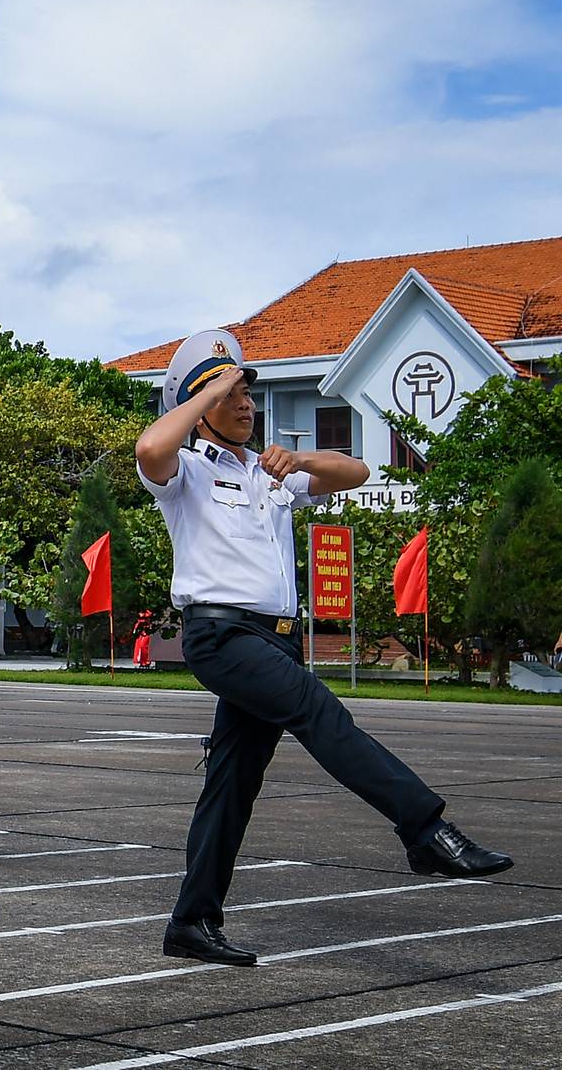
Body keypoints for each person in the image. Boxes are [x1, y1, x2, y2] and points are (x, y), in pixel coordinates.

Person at [139, 329, 512, 968]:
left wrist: (302, 462)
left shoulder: (269, 474)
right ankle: (425, 829)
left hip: (276, 642)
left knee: (230, 784)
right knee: (320, 711)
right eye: (228, 393)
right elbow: (150, 445)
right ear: (199, 409)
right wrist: (208, 394)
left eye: (248, 391)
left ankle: (191, 922)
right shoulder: (187, 473)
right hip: (221, 635)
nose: (245, 402)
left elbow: (358, 471)